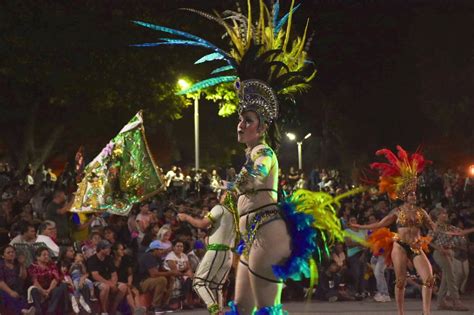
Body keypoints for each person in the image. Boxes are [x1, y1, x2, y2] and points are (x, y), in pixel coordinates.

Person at [351, 146, 435, 315]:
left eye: (414, 194)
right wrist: (360, 226)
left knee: (429, 279)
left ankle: (426, 313)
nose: (413, 196)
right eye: (410, 194)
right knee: (401, 281)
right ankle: (400, 312)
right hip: (400, 246)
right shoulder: (397, 212)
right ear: (404, 196)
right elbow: (379, 224)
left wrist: (434, 237)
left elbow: (433, 228)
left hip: (417, 247)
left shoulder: (421, 212)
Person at [178, 193, 237, 315]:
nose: (220, 196)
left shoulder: (219, 208)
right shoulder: (235, 214)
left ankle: (216, 311)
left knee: (199, 282)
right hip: (228, 254)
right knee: (216, 287)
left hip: (216, 251)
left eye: (223, 194)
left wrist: (186, 217)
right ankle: (219, 311)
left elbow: (201, 224)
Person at [428, 207, 469, 311]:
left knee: (447, 277)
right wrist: (440, 249)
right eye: (443, 214)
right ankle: (456, 302)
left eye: (445, 213)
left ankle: (441, 302)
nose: (446, 215)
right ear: (437, 216)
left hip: (450, 252)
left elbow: (461, 233)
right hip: (440, 253)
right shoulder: (435, 227)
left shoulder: (449, 227)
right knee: (450, 275)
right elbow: (428, 241)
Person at [87, 240, 127, 315]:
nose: (110, 250)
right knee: (105, 287)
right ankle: (104, 311)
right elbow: (95, 276)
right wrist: (109, 284)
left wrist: (114, 284)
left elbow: (114, 274)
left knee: (123, 287)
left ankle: (113, 309)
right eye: (107, 248)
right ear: (101, 249)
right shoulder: (92, 260)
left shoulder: (109, 259)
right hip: (96, 282)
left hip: (109, 281)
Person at [137, 240, 179, 314]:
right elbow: (154, 274)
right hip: (142, 282)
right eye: (160, 249)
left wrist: (172, 272)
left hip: (151, 280)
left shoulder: (157, 257)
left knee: (171, 278)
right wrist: (170, 272)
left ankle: (164, 304)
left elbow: (162, 270)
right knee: (162, 280)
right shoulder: (148, 256)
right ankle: (155, 306)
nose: (162, 251)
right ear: (154, 250)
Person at [27, 246, 68, 314]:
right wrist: (43, 291)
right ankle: (39, 312)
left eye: (48, 255)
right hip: (39, 288)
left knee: (60, 289)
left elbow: (55, 279)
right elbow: (34, 281)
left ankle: (50, 311)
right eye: (44, 255)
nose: (47, 256)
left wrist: (48, 290)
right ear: (38, 257)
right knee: (34, 291)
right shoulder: (32, 267)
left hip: (50, 288)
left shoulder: (52, 265)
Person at [0, 245, 35, 315]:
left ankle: (25, 311)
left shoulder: (17, 264)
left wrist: (22, 264)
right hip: (4, 289)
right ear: (2, 256)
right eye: (8, 252)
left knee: (21, 294)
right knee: (7, 296)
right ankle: (23, 311)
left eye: (13, 252)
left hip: (17, 288)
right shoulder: (1, 265)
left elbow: (23, 277)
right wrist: (10, 292)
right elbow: (1, 282)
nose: (11, 254)